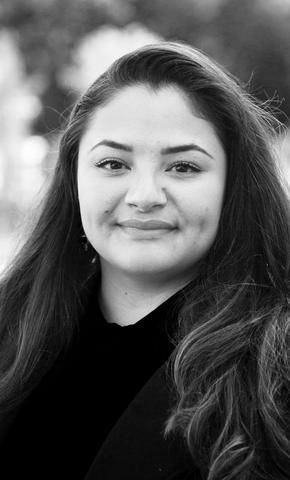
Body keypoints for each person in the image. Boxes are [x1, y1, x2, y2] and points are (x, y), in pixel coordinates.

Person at [0, 41, 290, 480]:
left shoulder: (277, 371)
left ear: (234, 188)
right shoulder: (12, 329)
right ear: (73, 178)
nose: (144, 197)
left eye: (184, 168)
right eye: (114, 163)